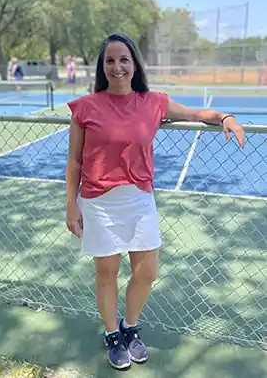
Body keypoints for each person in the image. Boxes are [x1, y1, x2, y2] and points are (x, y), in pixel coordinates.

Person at [66, 33, 245, 370]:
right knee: (106, 273)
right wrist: (71, 205)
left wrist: (225, 118)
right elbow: (74, 161)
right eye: (110, 61)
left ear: (134, 65)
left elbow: (195, 113)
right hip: (98, 202)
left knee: (147, 272)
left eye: (124, 60)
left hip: (139, 199)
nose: (117, 67)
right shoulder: (85, 107)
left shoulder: (153, 102)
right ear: (102, 67)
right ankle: (111, 334)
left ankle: (129, 326)